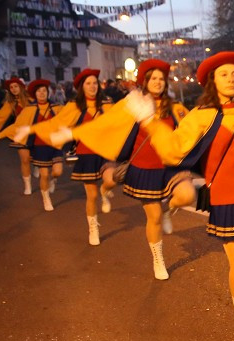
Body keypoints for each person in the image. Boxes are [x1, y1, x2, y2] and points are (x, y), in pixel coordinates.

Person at [129, 51, 234, 341]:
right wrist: (150, 121)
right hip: (227, 198)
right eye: (223, 75)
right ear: (212, 82)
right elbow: (173, 148)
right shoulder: (201, 115)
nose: (230, 80)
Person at [55, 59, 194, 279]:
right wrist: (73, 134)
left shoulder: (175, 107)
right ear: (145, 82)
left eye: (161, 79)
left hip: (169, 167)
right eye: (153, 78)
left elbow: (193, 129)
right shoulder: (133, 105)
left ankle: (170, 210)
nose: (158, 82)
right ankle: (158, 257)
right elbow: (106, 123)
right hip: (144, 168)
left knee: (187, 195)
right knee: (154, 216)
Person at [18, 69, 116, 245]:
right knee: (91, 196)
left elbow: (121, 122)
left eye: (95, 82)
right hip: (86, 154)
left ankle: (105, 190)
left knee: (111, 180)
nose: (92, 86)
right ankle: (93, 228)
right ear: (81, 87)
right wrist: (31, 129)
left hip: (105, 152)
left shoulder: (107, 104)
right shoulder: (73, 106)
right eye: (88, 83)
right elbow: (55, 123)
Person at [0, 79, 63, 211]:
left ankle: (53, 180)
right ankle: (46, 198)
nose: (41, 93)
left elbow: (70, 117)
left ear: (48, 92)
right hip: (39, 144)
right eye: (39, 91)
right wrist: (0, 135)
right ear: (35, 94)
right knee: (43, 173)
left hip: (54, 144)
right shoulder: (29, 109)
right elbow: (17, 125)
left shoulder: (56, 107)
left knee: (57, 171)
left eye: (44, 91)